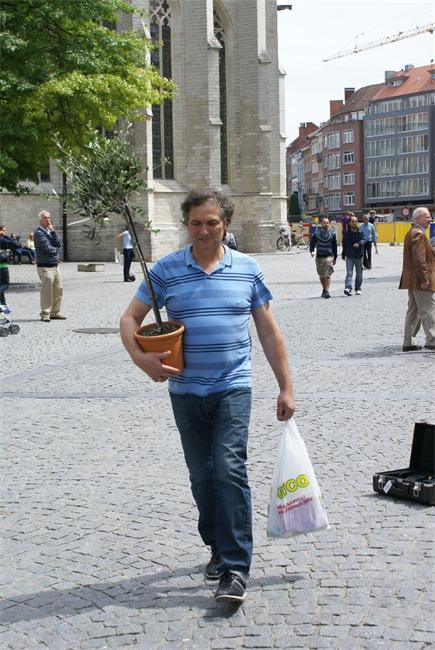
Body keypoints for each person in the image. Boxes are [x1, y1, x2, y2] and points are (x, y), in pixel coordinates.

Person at [120, 189, 295, 603]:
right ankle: (217, 544)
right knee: (202, 475)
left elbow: (269, 331)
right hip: (185, 391)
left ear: (225, 224)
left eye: (211, 222)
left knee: (229, 468)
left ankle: (235, 567)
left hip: (233, 386)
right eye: (196, 223)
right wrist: (141, 359)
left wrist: (285, 386)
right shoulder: (166, 270)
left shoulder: (247, 269)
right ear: (187, 225)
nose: (203, 230)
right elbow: (129, 319)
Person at [399, 207, 435, 352]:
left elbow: (421, 255)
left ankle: (408, 341)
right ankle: (432, 340)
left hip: (413, 279)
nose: (430, 219)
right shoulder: (418, 234)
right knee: (428, 309)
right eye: (427, 217)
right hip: (420, 280)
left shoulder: (413, 232)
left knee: (413, 310)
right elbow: (419, 260)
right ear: (418, 218)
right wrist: (425, 279)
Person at [33, 211, 66, 322]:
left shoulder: (49, 232)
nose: (48, 220)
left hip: (55, 266)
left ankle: (55, 312)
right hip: (45, 267)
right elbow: (47, 249)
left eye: (49, 217)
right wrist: (57, 249)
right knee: (47, 291)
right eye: (45, 218)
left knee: (58, 289)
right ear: (40, 220)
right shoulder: (38, 233)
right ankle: (45, 313)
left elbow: (59, 243)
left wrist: (53, 232)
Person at [309, 217, 337, 298]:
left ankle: (327, 291)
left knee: (328, 274)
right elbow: (312, 244)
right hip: (319, 257)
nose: (326, 224)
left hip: (329, 256)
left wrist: (335, 258)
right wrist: (312, 251)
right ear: (322, 224)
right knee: (321, 275)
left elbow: (334, 247)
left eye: (327, 223)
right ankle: (324, 289)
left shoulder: (332, 234)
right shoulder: (316, 234)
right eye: (324, 223)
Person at [342, 214, 366, 296]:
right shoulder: (346, 233)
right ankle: (348, 288)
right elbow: (344, 244)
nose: (354, 222)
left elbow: (364, 240)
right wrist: (343, 254)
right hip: (349, 256)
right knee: (349, 273)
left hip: (359, 256)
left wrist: (359, 243)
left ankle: (358, 288)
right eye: (353, 221)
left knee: (359, 274)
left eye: (356, 221)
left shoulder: (360, 232)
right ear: (350, 223)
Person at [0, 226, 10, 305]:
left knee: (1, 285)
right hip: (2, 265)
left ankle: (3, 304)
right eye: (3, 230)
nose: (4, 232)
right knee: (5, 284)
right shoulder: (2, 239)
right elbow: (13, 243)